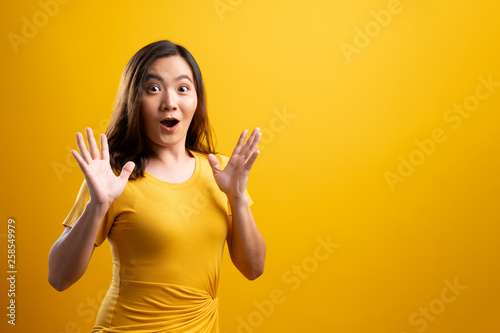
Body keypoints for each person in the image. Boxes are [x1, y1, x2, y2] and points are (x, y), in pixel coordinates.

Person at [48, 40, 266, 333]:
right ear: (133, 99)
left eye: (183, 88)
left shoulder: (222, 174)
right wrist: (97, 206)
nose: (169, 102)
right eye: (153, 88)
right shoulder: (113, 177)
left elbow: (253, 268)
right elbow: (59, 277)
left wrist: (237, 198)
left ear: (197, 99)